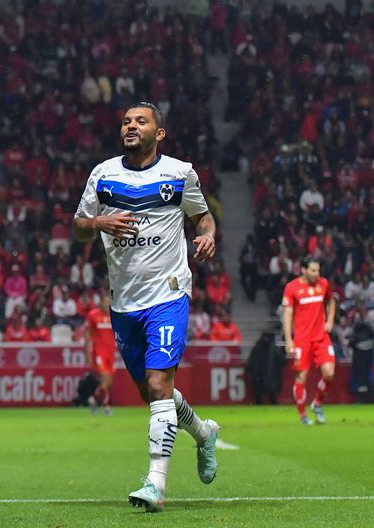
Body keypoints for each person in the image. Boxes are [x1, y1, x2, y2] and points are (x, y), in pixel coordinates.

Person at [73, 102, 220, 513]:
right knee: (151, 391)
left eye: (141, 121)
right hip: (124, 302)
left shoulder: (179, 173)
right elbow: (79, 226)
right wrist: (98, 223)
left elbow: (203, 218)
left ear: (160, 133)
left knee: (158, 385)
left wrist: (208, 236)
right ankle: (203, 433)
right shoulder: (103, 174)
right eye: (126, 121)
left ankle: (155, 483)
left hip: (168, 294)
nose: (131, 126)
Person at [282, 257, 337, 425]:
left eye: (318, 270)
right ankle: (303, 415)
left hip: (321, 337)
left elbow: (331, 301)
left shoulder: (324, 284)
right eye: (313, 270)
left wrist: (330, 321)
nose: (316, 274)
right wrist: (289, 340)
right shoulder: (292, 287)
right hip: (302, 339)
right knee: (301, 377)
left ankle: (317, 403)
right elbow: (287, 314)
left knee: (329, 373)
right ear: (303, 270)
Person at [84, 293, 116, 416]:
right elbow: (87, 335)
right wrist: (87, 353)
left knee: (108, 381)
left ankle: (93, 398)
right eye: (104, 302)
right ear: (100, 303)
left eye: (108, 302)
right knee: (104, 376)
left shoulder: (114, 315)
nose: (106, 304)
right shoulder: (93, 315)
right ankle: (106, 406)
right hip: (98, 351)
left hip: (110, 353)